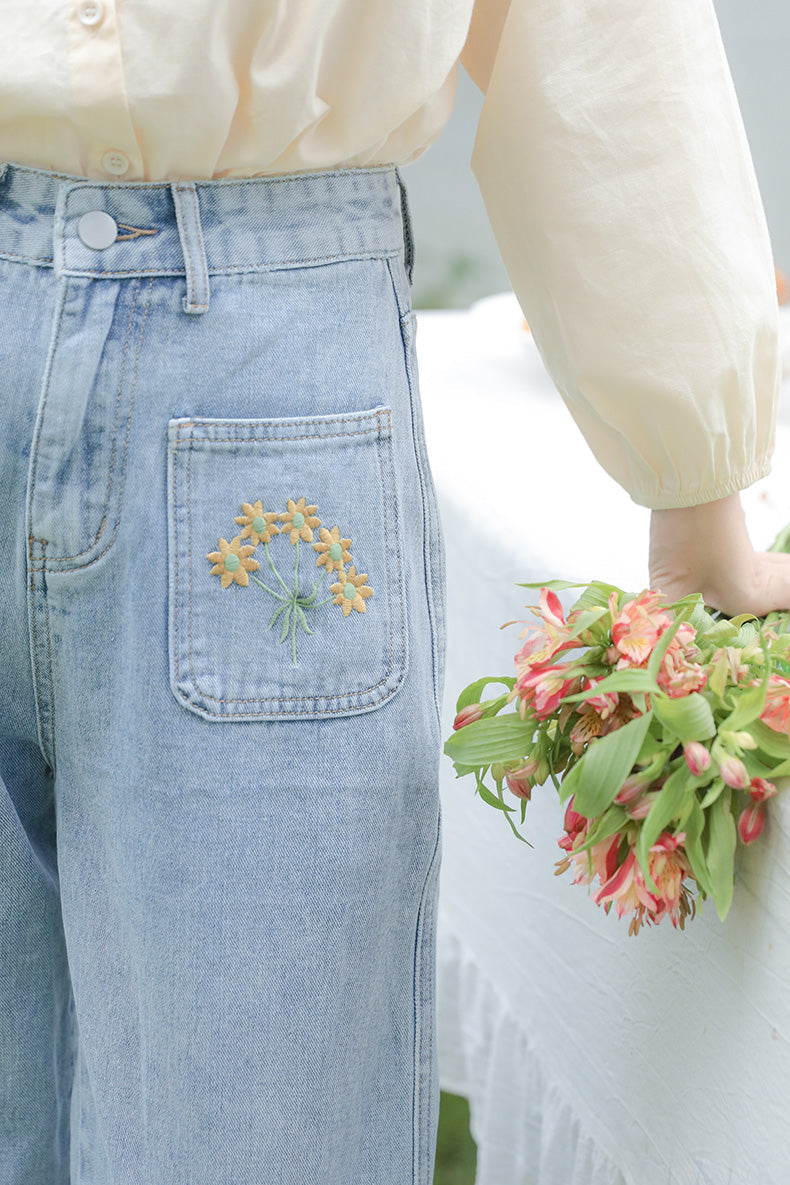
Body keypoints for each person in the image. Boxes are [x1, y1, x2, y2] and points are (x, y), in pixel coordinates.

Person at [0, 3, 786, 1184]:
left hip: (259, 357)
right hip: (263, 340)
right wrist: (697, 499)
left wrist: (695, 469)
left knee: (258, 1129)